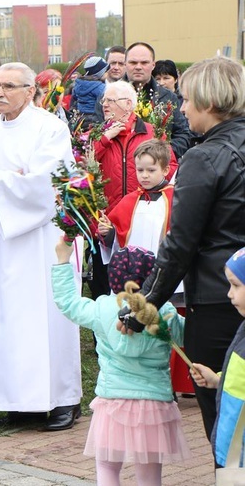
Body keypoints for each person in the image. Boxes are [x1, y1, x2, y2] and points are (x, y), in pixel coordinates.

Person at [0, 62, 82, 431]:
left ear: (30, 91)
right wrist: (8, 179)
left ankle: (63, 399)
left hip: (42, 240)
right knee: (8, 319)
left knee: (47, 318)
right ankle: (16, 400)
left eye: (8, 86)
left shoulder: (51, 129)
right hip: (3, 237)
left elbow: (49, 184)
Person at [139, 56, 245, 441]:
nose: (182, 108)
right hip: (232, 287)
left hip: (221, 300)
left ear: (209, 101)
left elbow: (180, 243)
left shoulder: (203, 157)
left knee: (228, 423)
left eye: (186, 100)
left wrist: (145, 304)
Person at [53, 242, 190, 485]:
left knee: (107, 467)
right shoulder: (164, 311)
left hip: (113, 402)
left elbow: (69, 304)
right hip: (154, 405)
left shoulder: (101, 308)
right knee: (149, 474)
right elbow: (188, 334)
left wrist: (63, 261)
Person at [190, 246, 245, 468]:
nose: (229, 293)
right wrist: (217, 380)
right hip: (234, 449)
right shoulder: (243, 328)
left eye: (236, 285)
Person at [94, 81, 178, 213]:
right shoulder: (97, 134)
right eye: (104, 100)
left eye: (110, 100)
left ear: (128, 104)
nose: (104, 104)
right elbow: (82, 165)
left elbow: (170, 168)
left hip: (144, 211)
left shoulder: (152, 132)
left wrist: (151, 192)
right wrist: (105, 139)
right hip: (107, 216)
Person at [71, 56, 108, 123]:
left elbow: (74, 101)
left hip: (80, 120)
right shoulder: (100, 87)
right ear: (99, 73)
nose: (107, 73)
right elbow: (101, 107)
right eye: (106, 71)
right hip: (95, 120)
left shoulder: (78, 84)